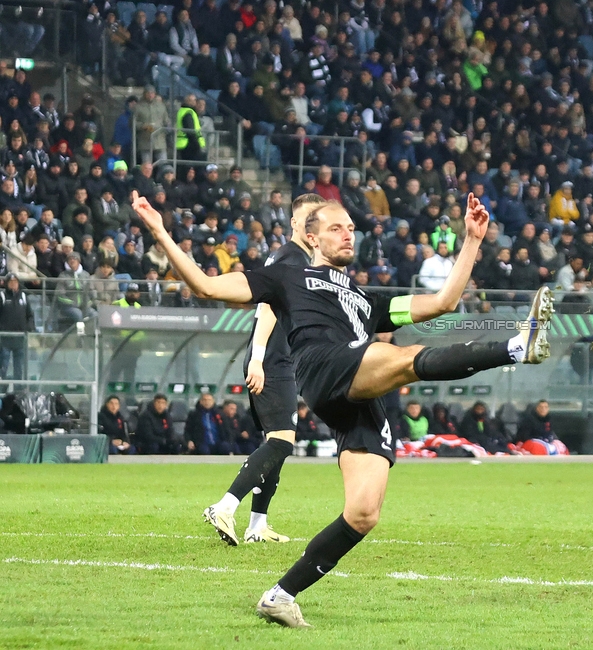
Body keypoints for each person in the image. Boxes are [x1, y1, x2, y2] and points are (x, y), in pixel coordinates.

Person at [132, 192, 554, 627]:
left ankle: (280, 595)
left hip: (357, 393)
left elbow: (442, 303)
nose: (347, 233)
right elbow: (206, 285)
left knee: (364, 513)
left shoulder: (365, 298)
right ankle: (517, 346)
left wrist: (471, 240)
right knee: (406, 358)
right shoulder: (286, 277)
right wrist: (160, 232)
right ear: (311, 238)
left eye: (351, 228)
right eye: (336, 228)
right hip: (326, 367)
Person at [203, 194, 321, 547]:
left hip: (278, 357)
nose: (314, 226)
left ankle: (258, 524)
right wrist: (258, 358)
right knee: (283, 442)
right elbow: (267, 307)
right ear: (296, 224)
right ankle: (225, 506)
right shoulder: (291, 257)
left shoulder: (295, 257)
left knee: (276, 442)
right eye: (308, 219)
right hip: (272, 359)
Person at [0, 274, 34, 380]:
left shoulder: (23, 297)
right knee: (3, 366)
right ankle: (2, 390)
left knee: (19, 367)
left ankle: (18, 390)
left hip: (20, 339)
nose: (13, 284)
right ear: (7, 284)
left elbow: (30, 315)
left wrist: (29, 328)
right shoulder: (2, 296)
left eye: (15, 282)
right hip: (5, 339)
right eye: (11, 282)